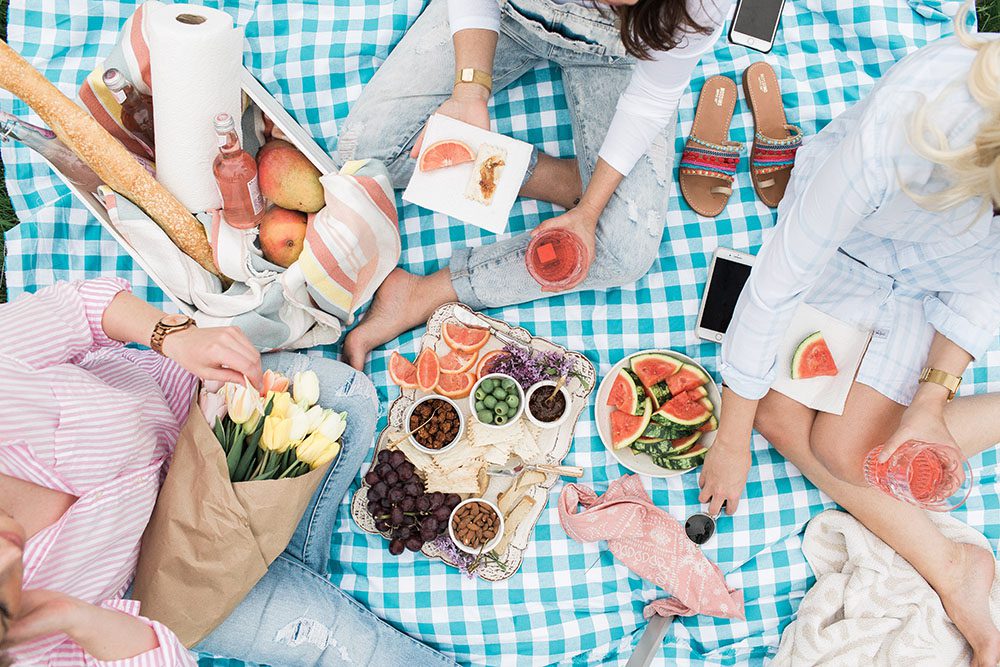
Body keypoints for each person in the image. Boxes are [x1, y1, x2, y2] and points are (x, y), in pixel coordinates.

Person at [697, 7, 1000, 665]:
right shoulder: (905, 129)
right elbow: (776, 283)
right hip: (851, 247)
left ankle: (954, 571)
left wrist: (931, 402)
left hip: (939, 284)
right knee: (774, 417)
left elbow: (986, 284)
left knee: (842, 447)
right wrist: (730, 435)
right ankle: (953, 567)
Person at [0, 278, 457, 666]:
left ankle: (268, 557)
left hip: (196, 425)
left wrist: (171, 336)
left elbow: (78, 307)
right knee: (346, 642)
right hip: (168, 585)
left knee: (350, 396)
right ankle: (269, 559)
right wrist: (72, 616)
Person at [341, 0, 727, 370]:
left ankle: (424, 293)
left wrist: (590, 213)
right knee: (364, 153)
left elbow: (652, 99)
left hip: (618, 53)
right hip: (506, 14)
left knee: (624, 251)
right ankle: (566, 180)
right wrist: (469, 92)